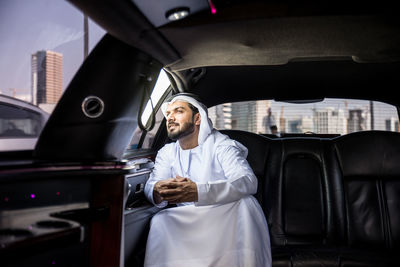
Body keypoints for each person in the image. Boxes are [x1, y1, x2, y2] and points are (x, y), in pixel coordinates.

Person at [144, 94, 271, 267]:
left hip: (224, 217)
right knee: (160, 220)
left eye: (178, 111)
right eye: (168, 114)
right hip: (187, 220)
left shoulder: (221, 144)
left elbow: (247, 181)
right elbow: (153, 184)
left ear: (197, 119)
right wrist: (158, 190)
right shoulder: (167, 152)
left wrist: (198, 191)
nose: (171, 117)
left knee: (245, 203)